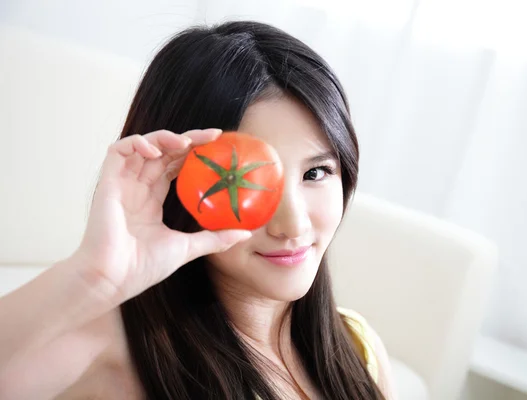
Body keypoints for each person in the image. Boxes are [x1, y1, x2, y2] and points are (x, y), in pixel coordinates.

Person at [0, 20, 394, 399]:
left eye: (316, 172)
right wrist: (93, 276)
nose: (292, 224)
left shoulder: (360, 347)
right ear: (177, 185)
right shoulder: (114, 359)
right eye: (245, 180)